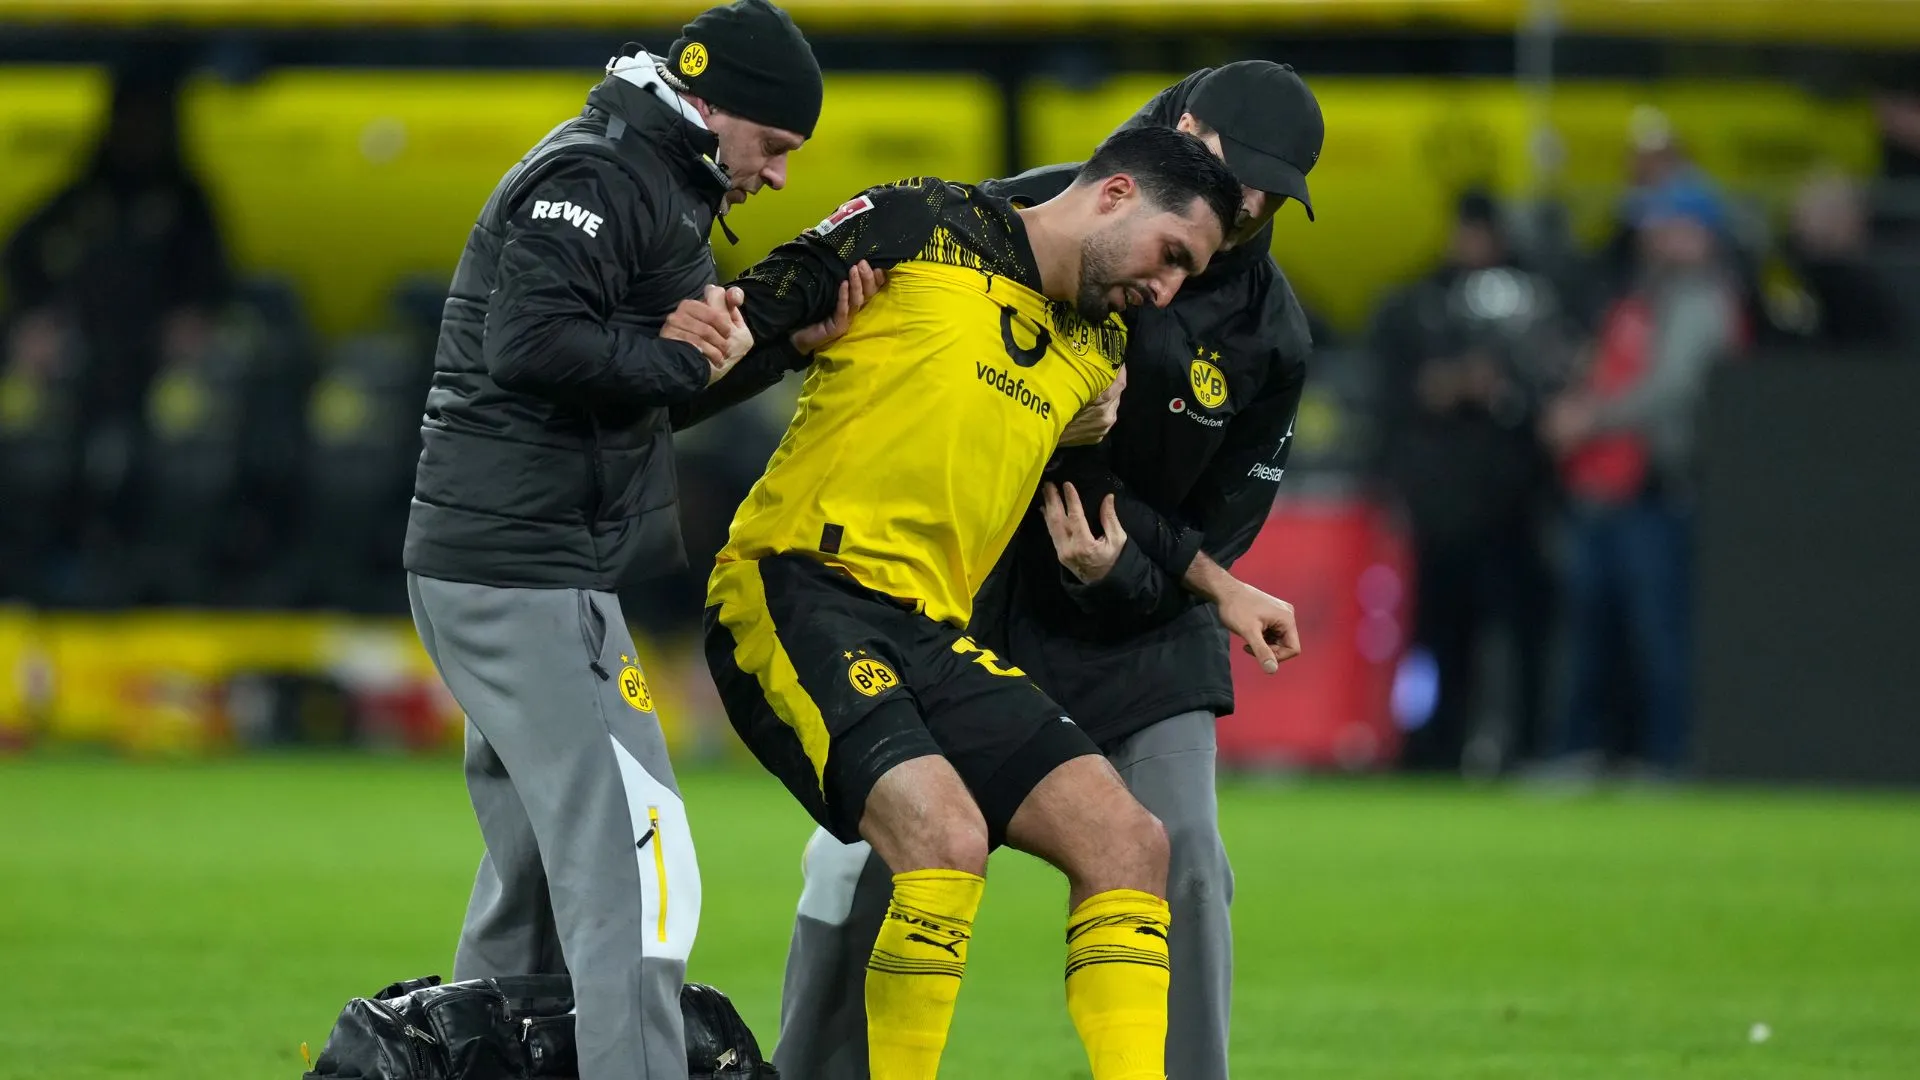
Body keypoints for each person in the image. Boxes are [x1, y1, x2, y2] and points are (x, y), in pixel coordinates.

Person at [690, 126, 1292, 1080]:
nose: (1170, 290)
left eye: (1192, 273)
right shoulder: (920, 221)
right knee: (944, 839)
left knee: (1132, 842)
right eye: (1170, 255)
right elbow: (733, 330)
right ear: (1113, 195)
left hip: (930, 630)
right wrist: (791, 340)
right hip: (797, 583)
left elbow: (1115, 508)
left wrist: (1216, 583)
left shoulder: (1097, 350)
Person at [399, 4, 836, 1077]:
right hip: (522, 564)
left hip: (515, 559)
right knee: (637, 864)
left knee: (540, 879)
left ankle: (473, 1059)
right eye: (775, 147)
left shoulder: (641, 170)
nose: (777, 176)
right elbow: (532, 343)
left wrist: (765, 350)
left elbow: (626, 387)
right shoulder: (598, 176)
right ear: (717, 106)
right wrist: (679, 357)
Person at [1540, 174, 1743, 777]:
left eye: (1667, 225)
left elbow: (1673, 391)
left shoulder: (1703, 299)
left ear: (1701, 233)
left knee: (1658, 630)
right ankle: (1585, 750)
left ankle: (1666, 754)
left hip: (1658, 485)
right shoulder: (1642, 296)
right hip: (1606, 485)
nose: (1653, 236)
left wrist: (1589, 417)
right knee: (1593, 629)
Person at [1370, 190, 1565, 774]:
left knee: (1522, 634)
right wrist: (1453, 385)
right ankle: (1433, 747)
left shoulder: (1537, 299)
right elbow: (1394, 398)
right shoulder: (1419, 302)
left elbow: (1557, 384)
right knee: (1437, 638)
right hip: (1443, 507)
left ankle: (1526, 748)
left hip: (1515, 503)